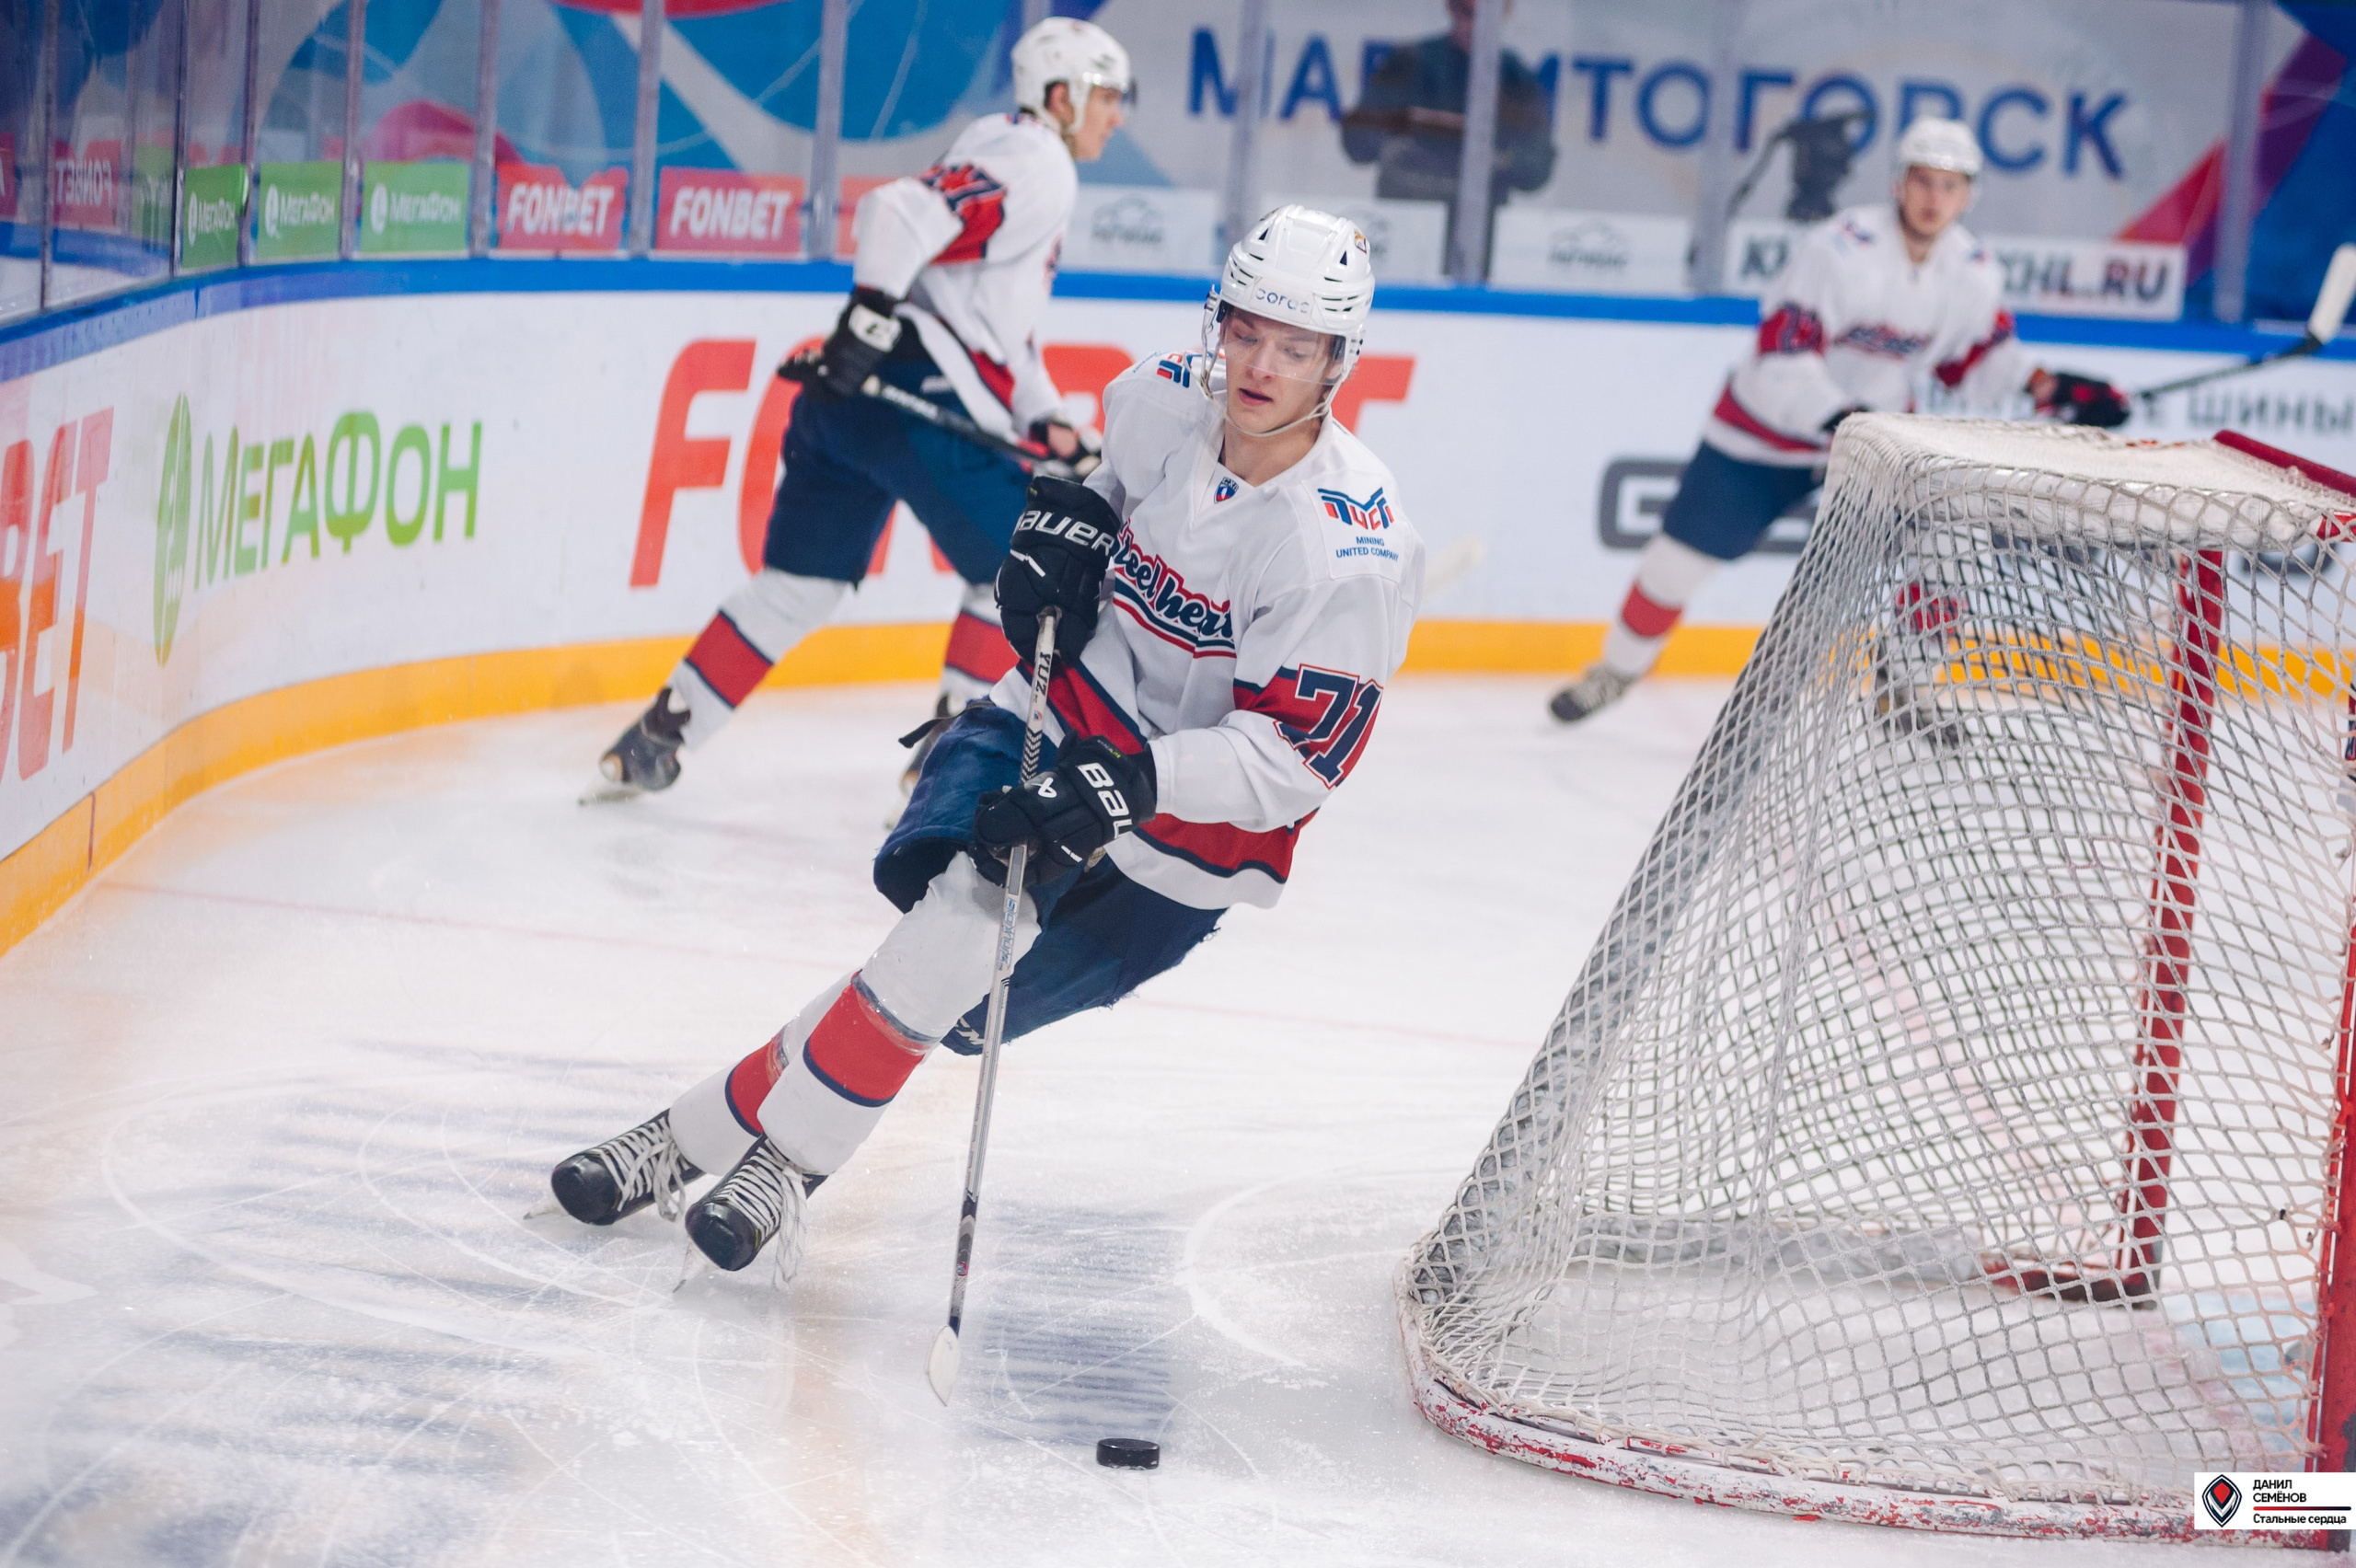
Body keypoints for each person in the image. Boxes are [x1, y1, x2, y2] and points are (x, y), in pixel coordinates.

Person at [545, 207, 1425, 1280]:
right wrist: (1066, 531)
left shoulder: (1345, 549)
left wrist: (1139, 781)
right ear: (1219, 321)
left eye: (1295, 347)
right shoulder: (1159, 402)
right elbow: (1102, 493)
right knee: (967, 913)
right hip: (1053, 716)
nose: (1260, 364)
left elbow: (1296, 762)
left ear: (1337, 361)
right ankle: (785, 1167)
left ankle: (686, 1137)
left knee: (947, 1007)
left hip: (1188, 845)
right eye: (1245, 331)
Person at [595, 17, 1132, 797]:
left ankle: (652, 740)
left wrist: (1045, 418)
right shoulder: (1036, 156)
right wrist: (870, 314)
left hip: (852, 402)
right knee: (1018, 573)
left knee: (797, 586)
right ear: (1061, 95)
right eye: (1106, 97)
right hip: (909, 396)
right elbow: (896, 212)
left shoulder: (1004, 148)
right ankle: (945, 774)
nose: (1115, 116)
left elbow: (994, 332)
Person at [1547, 117, 2133, 724]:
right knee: (1674, 565)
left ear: (1970, 195)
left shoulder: (1973, 271)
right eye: (1924, 182)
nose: (1935, 199)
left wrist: (2051, 386)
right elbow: (1783, 357)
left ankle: (1901, 684)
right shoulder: (1838, 249)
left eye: (1950, 186)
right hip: (1765, 437)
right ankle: (1614, 673)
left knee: (1956, 541)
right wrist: (1841, 417)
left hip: (1872, 451)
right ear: (1898, 184)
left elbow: (1974, 360)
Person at [1341, 0, 1554, 267]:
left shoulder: (1517, 80)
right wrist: (1405, 138)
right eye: (1465, 12)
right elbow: (1358, 143)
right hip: (1405, 227)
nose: (1475, 25)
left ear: (1506, 13)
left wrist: (1492, 161)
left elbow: (1537, 168)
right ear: (1451, 9)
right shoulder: (1409, 63)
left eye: (1487, 15)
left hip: (1480, 241)